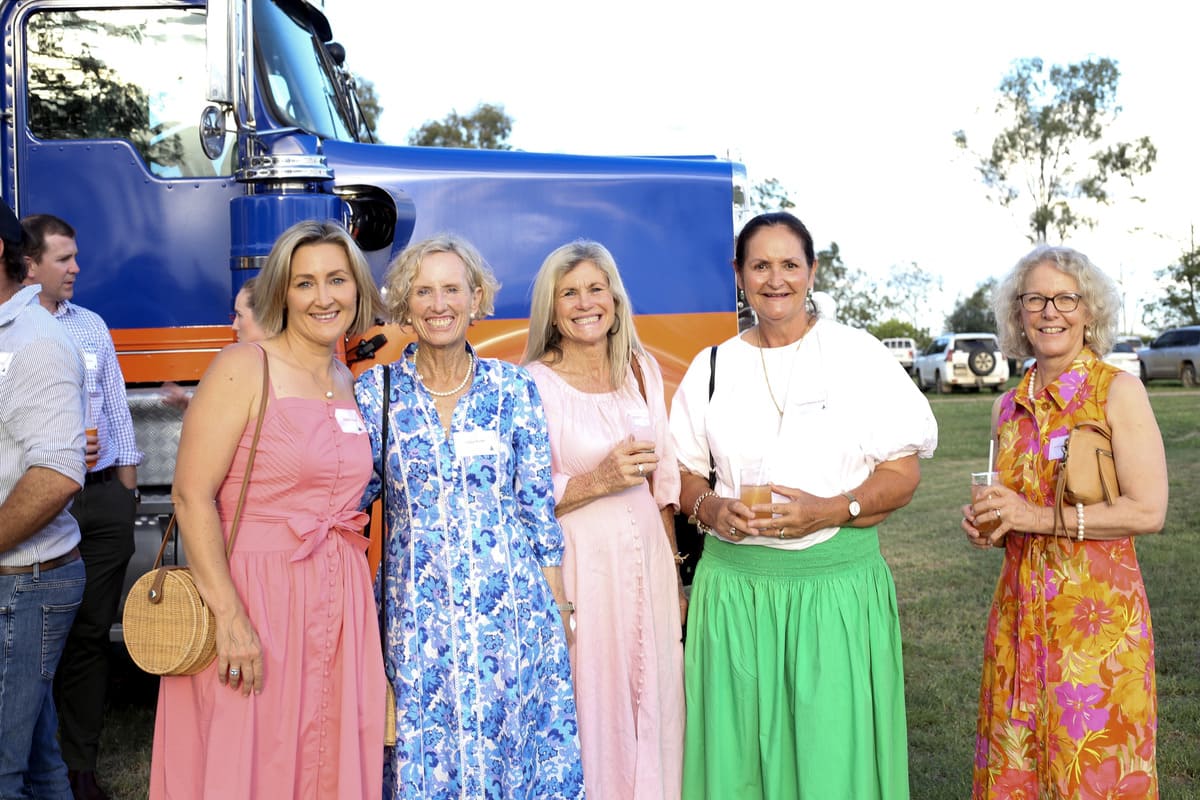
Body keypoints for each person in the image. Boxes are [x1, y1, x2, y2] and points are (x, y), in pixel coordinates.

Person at [669, 211, 937, 799]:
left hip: (833, 591)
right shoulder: (711, 366)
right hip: (735, 594)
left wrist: (833, 508)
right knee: (737, 765)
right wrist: (711, 509)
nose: (775, 279)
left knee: (830, 765)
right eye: (760, 265)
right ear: (738, 275)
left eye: (790, 264)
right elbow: (684, 475)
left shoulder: (856, 355)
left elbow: (903, 472)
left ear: (812, 272)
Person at [149, 220, 388, 799]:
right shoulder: (243, 367)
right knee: (251, 758)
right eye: (305, 283)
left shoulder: (346, 378)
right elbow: (191, 495)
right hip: (256, 596)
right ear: (282, 292)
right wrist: (229, 617)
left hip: (338, 598)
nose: (323, 296)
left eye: (337, 279)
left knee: (324, 755)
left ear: (358, 288)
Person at [355, 234, 584, 799]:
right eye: (423, 291)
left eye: (452, 289)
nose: (439, 304)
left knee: (515, 758)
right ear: (406, 304)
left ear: (476, 297)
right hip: (417, 625)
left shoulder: (513, 390)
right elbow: (346, 505)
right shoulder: (375, 394)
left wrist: (558, 612)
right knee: (425, 763)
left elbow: (536, 509)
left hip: (511, 618)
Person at [962, 245, 1166, 798]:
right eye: (1036, 299)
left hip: (1096, 629)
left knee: (1095, 778)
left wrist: (1032, 514)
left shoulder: (1117, 392)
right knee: (1016, 776)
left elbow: (1148, 510)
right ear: (1018, 314)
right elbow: (1009, 508)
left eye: (1065, 298)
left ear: (1088, 311)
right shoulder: (1006, 407)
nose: (1050, 311)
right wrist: (990, 524)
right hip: (1017, 626)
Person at [521, 240, 685, 799]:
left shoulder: (641, 370)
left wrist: (676, 572)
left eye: (596, 288)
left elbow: (664, 486)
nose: (585, 302)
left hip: (649, 565)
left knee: (657, 696)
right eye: (569, 292)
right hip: (580, 568)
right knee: (592, 699)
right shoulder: (533, 385)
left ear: (615, 299)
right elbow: (521, 495)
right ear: (552, 307)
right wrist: (597, 480)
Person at [21, 213, 143, 800]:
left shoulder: (90, 326)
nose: (76, 268)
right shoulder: (10, 333)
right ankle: (32, 765)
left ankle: (80, 767)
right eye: (64, 259)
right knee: (38, 641)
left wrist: (126, 489)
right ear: (29, 264)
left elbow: (116, 407)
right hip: (39, 506)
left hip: (100, 501)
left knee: (92, 637)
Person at [0, 199, 89, 799]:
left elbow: (58, 473)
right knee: (34, 762)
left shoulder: (33, 341)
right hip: (17, 577)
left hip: (24, 581)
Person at [162, 277, 265, 410]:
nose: (234, 326)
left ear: (264, 317)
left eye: (240, 315)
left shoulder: (237, 367)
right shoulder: (290, 369)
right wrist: (190, 405)